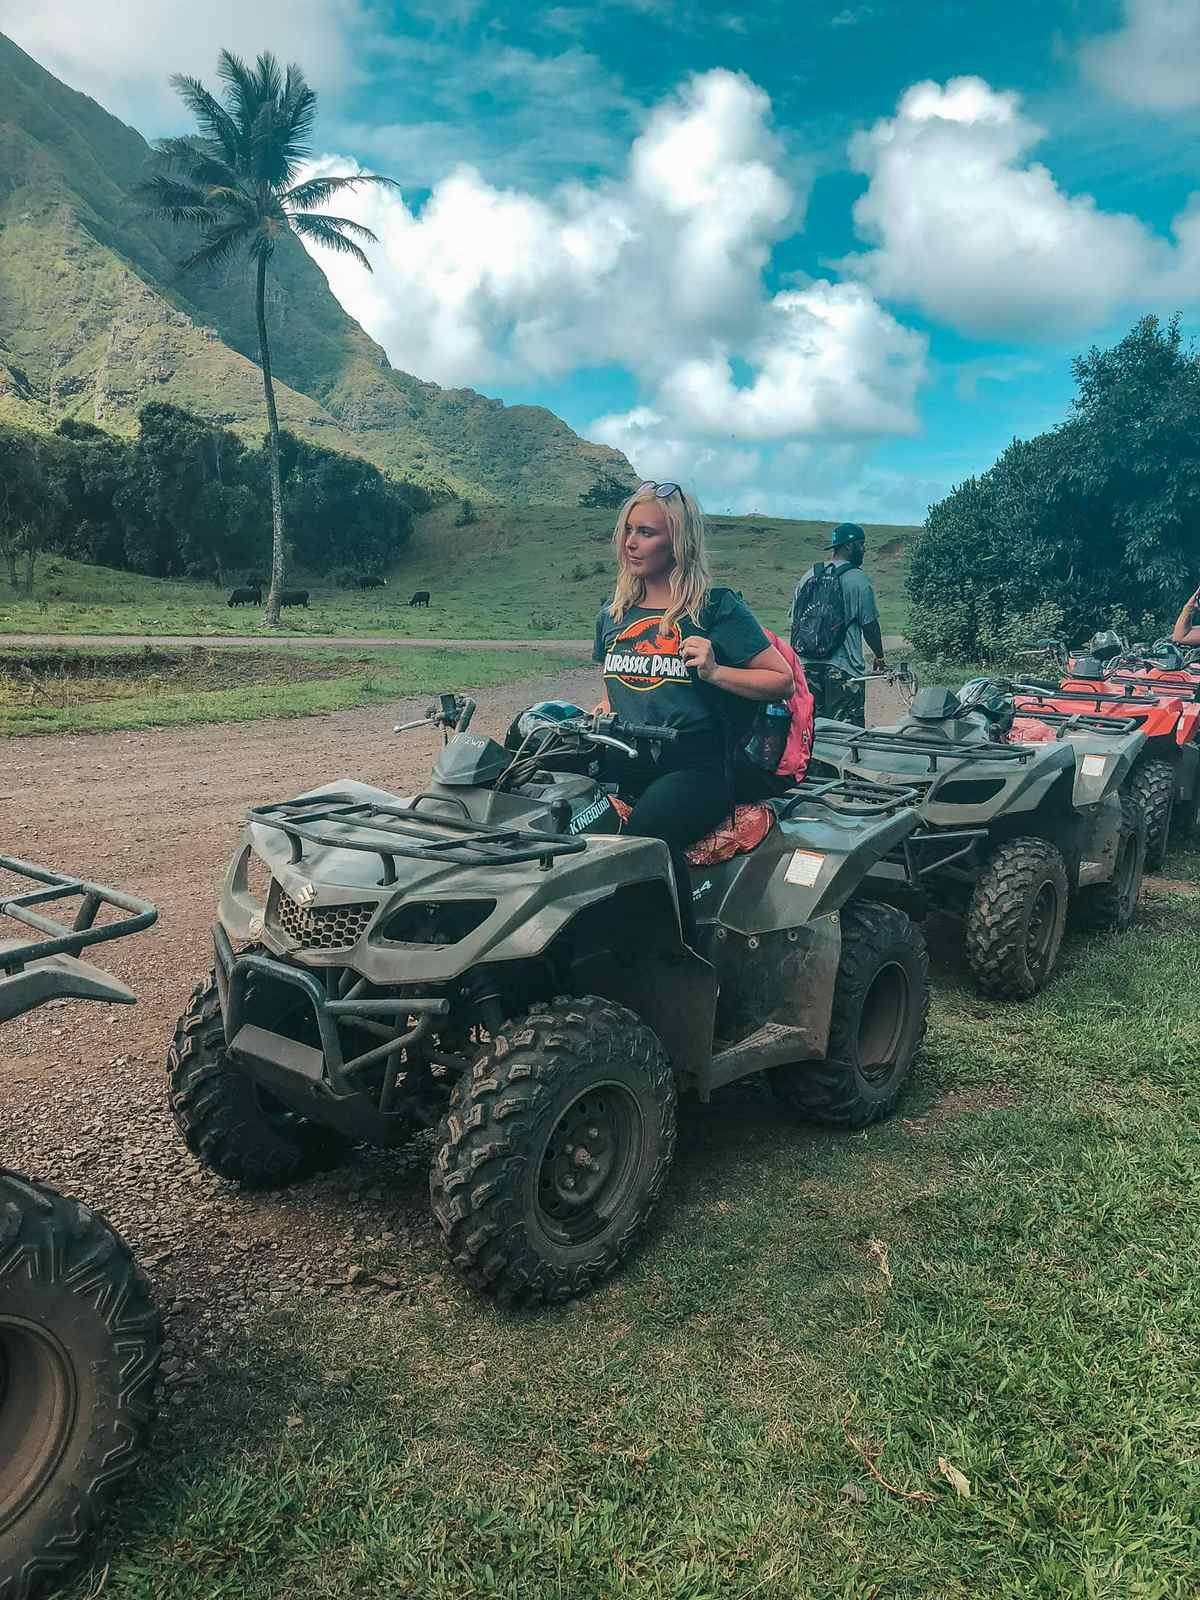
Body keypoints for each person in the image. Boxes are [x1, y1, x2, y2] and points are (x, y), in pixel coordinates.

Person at [593, 481, 793, 947]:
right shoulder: (614, 613)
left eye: (646, 532)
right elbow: (615, 688)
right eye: (627, 530)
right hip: (624, 760)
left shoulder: (715, 609)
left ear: (678, 542)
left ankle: (678, 959)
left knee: (645, 841)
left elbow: (779, 680)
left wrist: (717, 670)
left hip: (695, 767)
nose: (631, 542)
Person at [790, 522, 886, 725]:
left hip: (806, 667)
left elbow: (796, 622)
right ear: (849, 546)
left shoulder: (808, 576)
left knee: (811, 731)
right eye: (861, 544)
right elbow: (869, 626)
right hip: (844, 670)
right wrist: (879, 656)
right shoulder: (858, 579)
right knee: (847, 735)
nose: (864, 550)